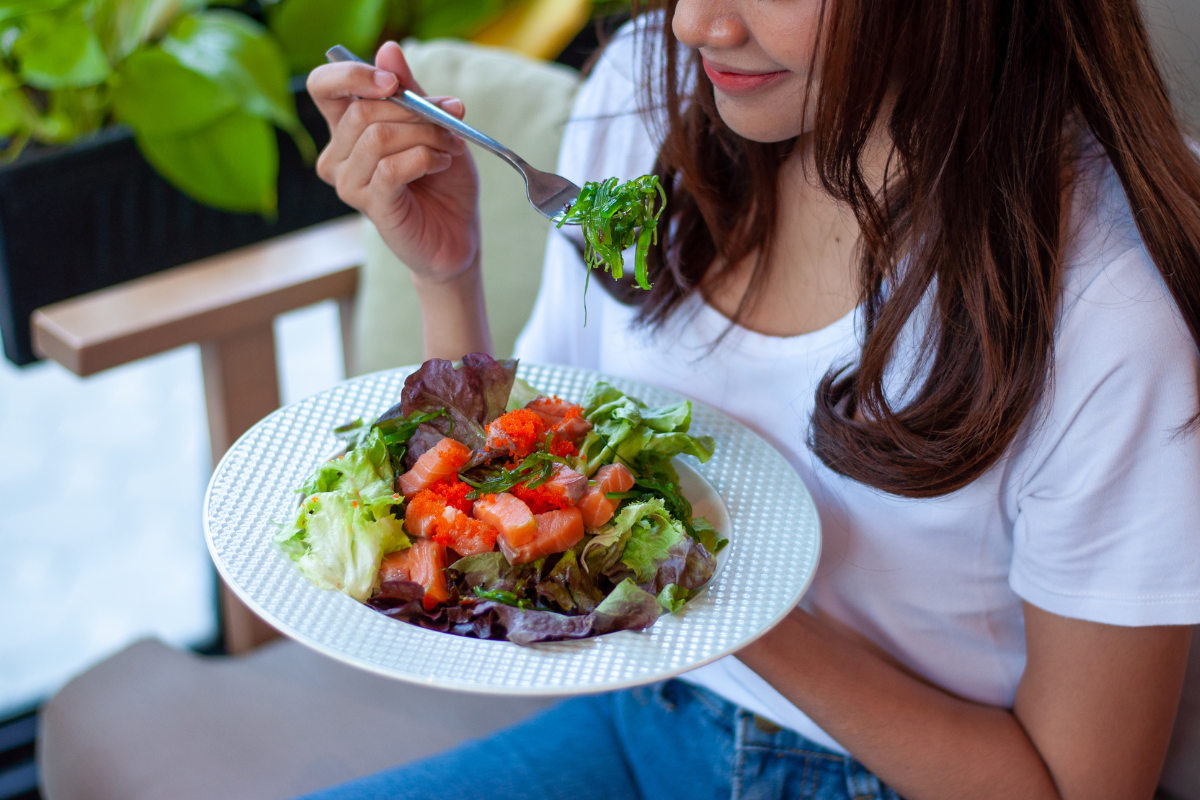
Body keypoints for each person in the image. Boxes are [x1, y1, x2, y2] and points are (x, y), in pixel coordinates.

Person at [301, 0, 1200, 797]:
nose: (694, 23)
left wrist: (709, 588)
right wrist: (446, 275)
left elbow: (1078, 788)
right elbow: (520, 467)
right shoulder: (643, 95)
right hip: (640, 712)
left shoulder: (1105, 313)